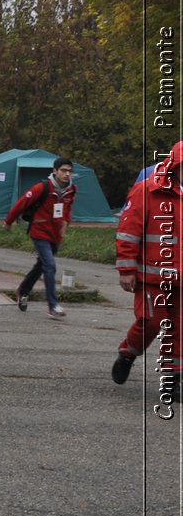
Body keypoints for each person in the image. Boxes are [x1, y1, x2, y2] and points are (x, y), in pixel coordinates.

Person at [113, 140, 183, 398]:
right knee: (151, 323)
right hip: (152, 277)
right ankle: (128, 353)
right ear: (177, 164)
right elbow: (128, 233)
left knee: (179, 329)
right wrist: (126, 269)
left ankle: (173, 381)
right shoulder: (147, 191)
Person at [6, 156, 77, 319]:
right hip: (39, 231)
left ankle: (23, 290)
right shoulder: (43, 187)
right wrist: (9, 221)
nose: (67, 174)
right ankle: (53, 305)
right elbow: (22, 203)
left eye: (69, 171)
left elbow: (67, 208)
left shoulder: (71, 190)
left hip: (55, 234)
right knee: (50, 265)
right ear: (55, 171)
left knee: (41, 265)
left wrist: (66, 223)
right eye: (63, 171)